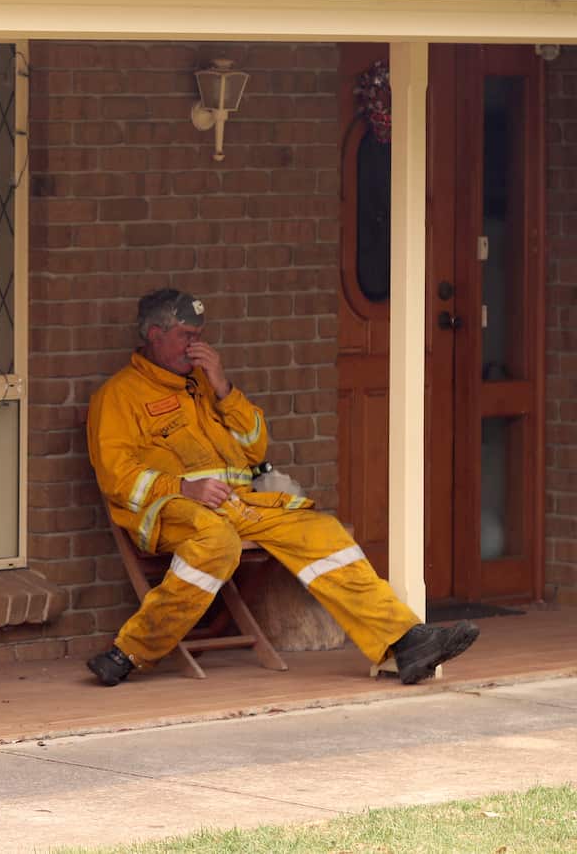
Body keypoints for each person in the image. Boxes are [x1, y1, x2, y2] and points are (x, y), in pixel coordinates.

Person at [85, 289, 479, 687]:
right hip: (173, 509)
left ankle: (404, 639)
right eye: (186, 336)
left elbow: (254, 447)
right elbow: (117, 478)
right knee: (217, 543)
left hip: (241, 506)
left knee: (322, 531)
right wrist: (185, 489)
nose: (196, 346)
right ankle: (130, 651)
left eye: (200, 335)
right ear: (154, 334)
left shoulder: (203, 385)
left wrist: (223, 388)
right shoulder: (118, 396)